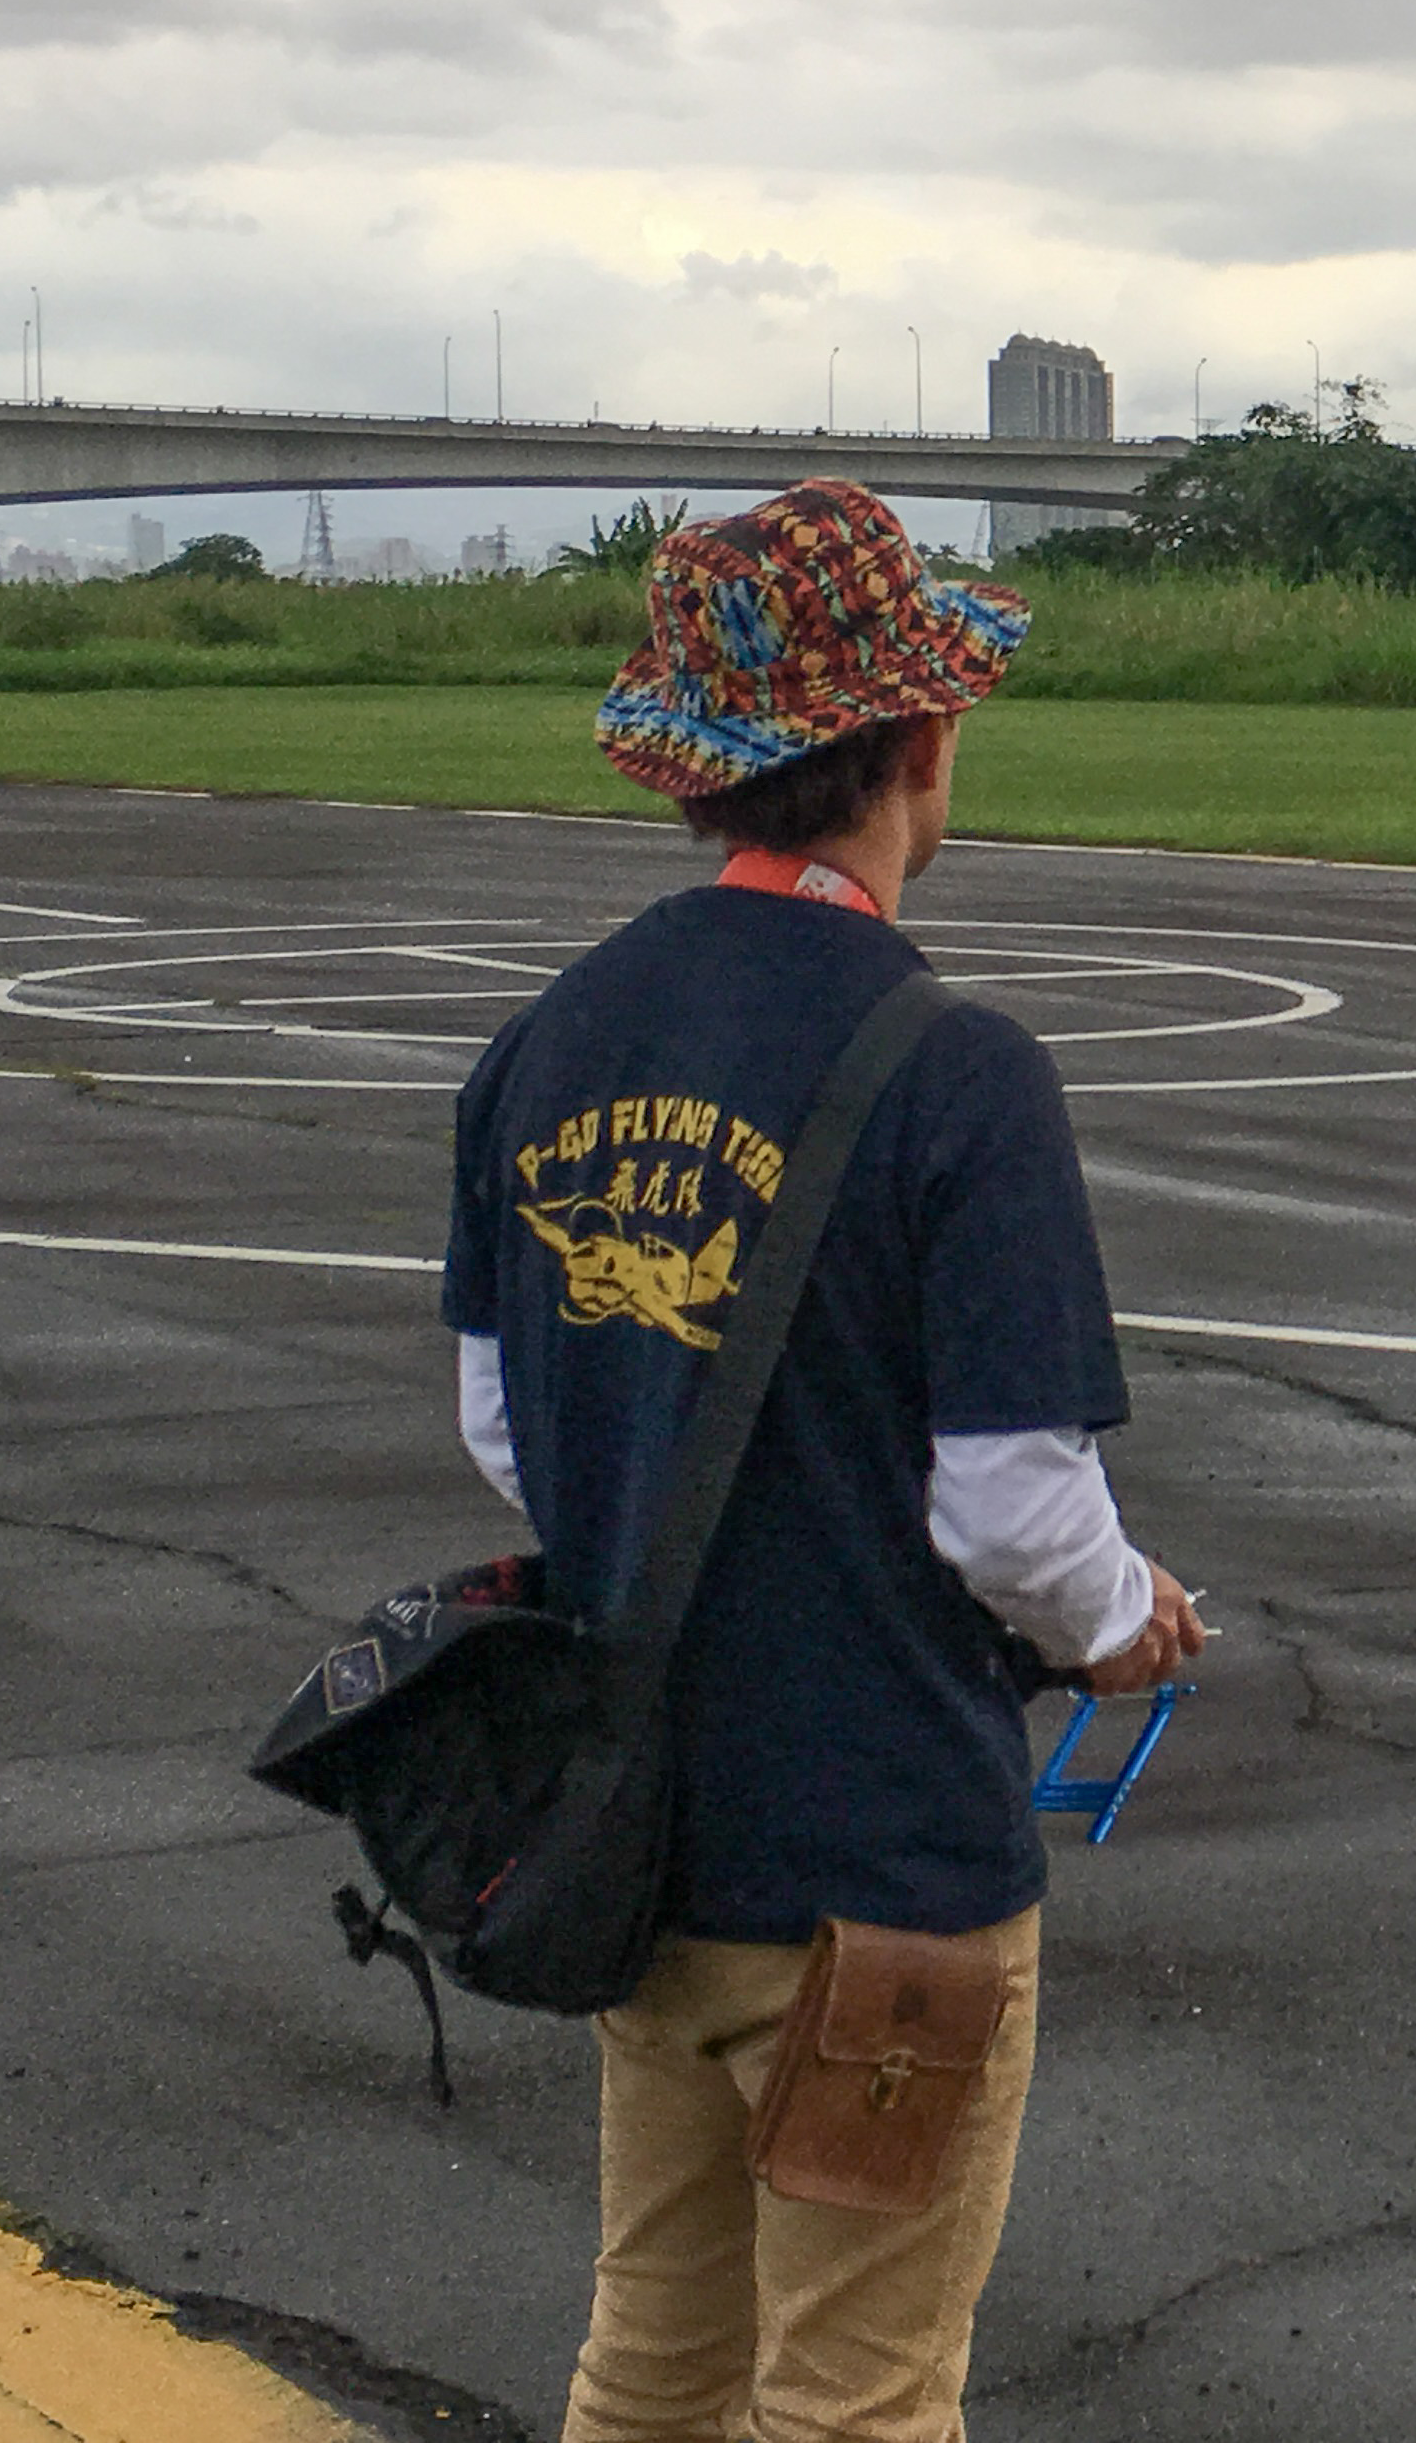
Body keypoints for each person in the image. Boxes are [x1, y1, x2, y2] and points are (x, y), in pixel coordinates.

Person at [441, 480, 1206, 2443]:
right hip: (886, 1882)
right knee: (858, 2398)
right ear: (922, 738)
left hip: (649, 1847)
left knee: (655, 2365)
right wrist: (1119, 1622)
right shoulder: (959, 1070)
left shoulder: (547, 1043)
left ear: (695, 769)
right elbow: (1012, 1510)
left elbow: (508, 1424)